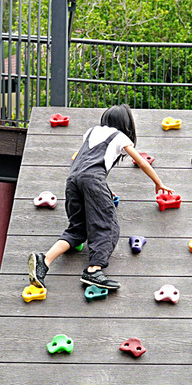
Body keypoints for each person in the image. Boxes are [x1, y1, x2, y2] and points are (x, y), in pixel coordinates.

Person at [28, 104, 171, 291]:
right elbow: (141, 161)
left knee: (78, 229)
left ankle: (44, 261)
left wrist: (103, 189)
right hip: (92, 181)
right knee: (108, 225)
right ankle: (94, 270)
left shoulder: (90, 132)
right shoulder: (120, 137)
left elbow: (86, 162)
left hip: (73, 180)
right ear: (125, 123)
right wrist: (158, 183)